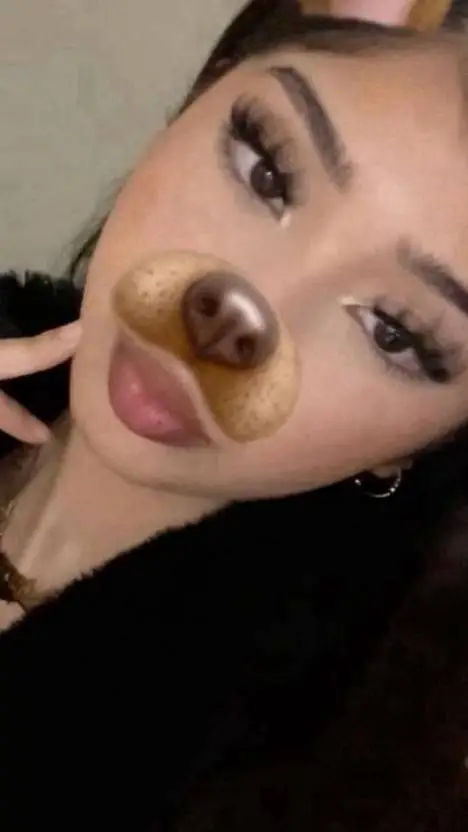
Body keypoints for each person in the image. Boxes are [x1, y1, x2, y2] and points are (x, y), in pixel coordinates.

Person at [0, 2, 468, 829]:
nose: (239, 319)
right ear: (196, 103)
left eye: (394, 332)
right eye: (268, 170)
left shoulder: (302, 770)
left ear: (426, 443)